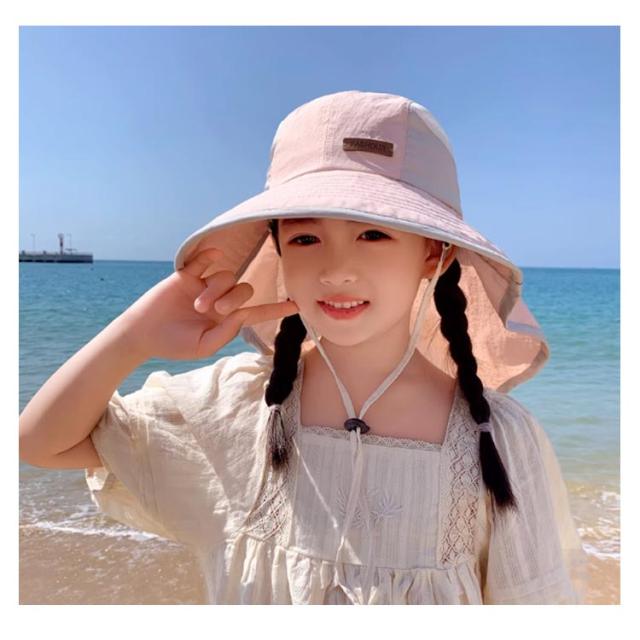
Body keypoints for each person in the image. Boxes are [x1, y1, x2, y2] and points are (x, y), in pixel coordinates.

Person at [19, 90, 589, 605]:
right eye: (306, 237)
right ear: (280, 252)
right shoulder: (238, 409)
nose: (337, 269)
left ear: (433, 254)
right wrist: (133, 335)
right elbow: (40, 442)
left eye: (373, 233)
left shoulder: (495, 438)